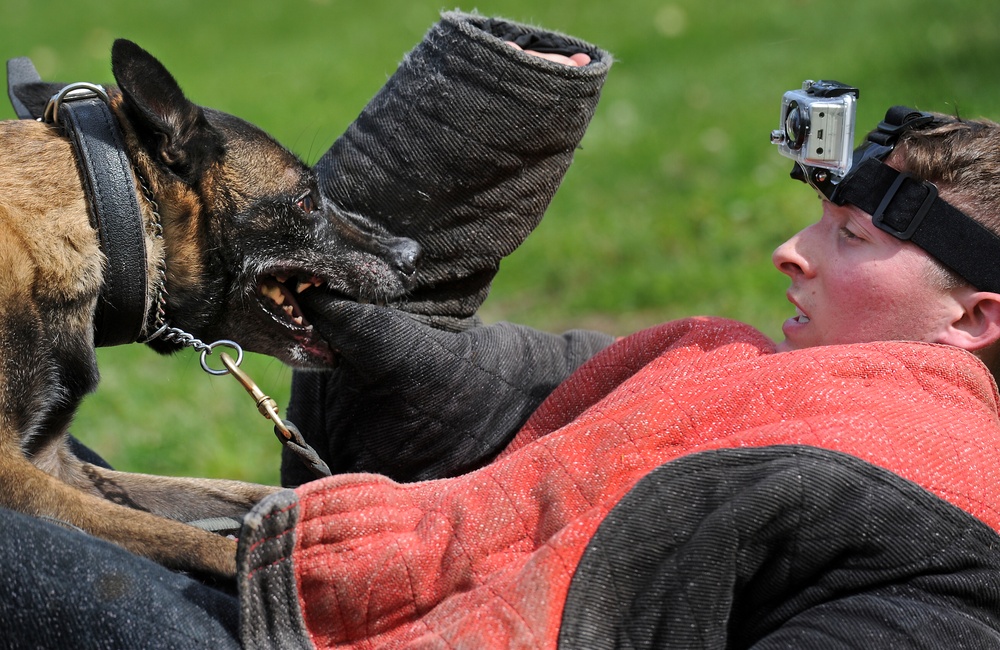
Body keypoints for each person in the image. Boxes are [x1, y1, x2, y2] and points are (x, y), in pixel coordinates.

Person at [5, 12, 1000, 650]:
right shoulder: (723, 356)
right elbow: (485, 389)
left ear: (975, 315)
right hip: (323, 581)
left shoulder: (950, 509)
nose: (789, 249)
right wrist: (488, 108)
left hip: (316, 631)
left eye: (850, 235)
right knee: (51, 468)